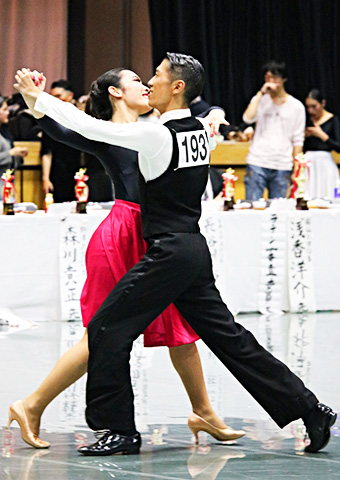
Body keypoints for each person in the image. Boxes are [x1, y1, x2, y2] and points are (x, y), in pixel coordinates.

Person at [15, 53, 336, 456]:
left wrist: (37, 98)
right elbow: (202, 120)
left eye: (158, 76)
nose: (151, 82)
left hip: (167, 251)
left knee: (106, 330)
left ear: (177, 87)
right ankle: (310, 409)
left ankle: (119, 431)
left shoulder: (155, 134)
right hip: (193, 250)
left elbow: (86, 125)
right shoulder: (197, 131)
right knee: (232, 340)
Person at [8, 68, 244, 449]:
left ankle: (204, 411)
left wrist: (214, 112)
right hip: (122, 236)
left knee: (180, 325)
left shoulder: (157, 127)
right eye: (137, 81)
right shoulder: (107, 133)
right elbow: (59, 128)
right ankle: (31, 405)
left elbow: (198, 112)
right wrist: (35, 98)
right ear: (117, 92)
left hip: (157, 235)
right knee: (100, 334)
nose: (147, 85)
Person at [242, 61, 305, 200]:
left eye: (275, 77)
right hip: (257, 161)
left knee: (279, 211)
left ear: (284, 79)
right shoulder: (260, 100)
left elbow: (298, 139)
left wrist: (297, 168)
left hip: (282, 164)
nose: (270, 81)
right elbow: (247, 118)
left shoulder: (296, 106)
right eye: (267, 77)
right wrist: (260, 94)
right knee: (251, 208)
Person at [41, 79, 82, 201]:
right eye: (52, 97)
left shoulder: (80, 116)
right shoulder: (49, 119)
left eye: (59, 96)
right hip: (58, 172)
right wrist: (45, 178)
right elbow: (46, 152)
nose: (55, 100)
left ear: (70, 96)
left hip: (81, 170)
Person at [304, 88, 340, 199]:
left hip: (325, 162)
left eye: (314, 106)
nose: (311, 110)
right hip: (308, 161)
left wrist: (322, 135)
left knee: (328, 192)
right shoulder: (306, 120)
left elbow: (338, 146)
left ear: (322, 103)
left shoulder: (333, 120)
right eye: (308, 107)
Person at [0, 95, 28, 200]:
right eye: (4, 109)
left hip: (7, 187)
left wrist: (18, 155)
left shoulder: (5, 132)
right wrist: (11, 153)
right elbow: (9, 153)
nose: (8, 112)